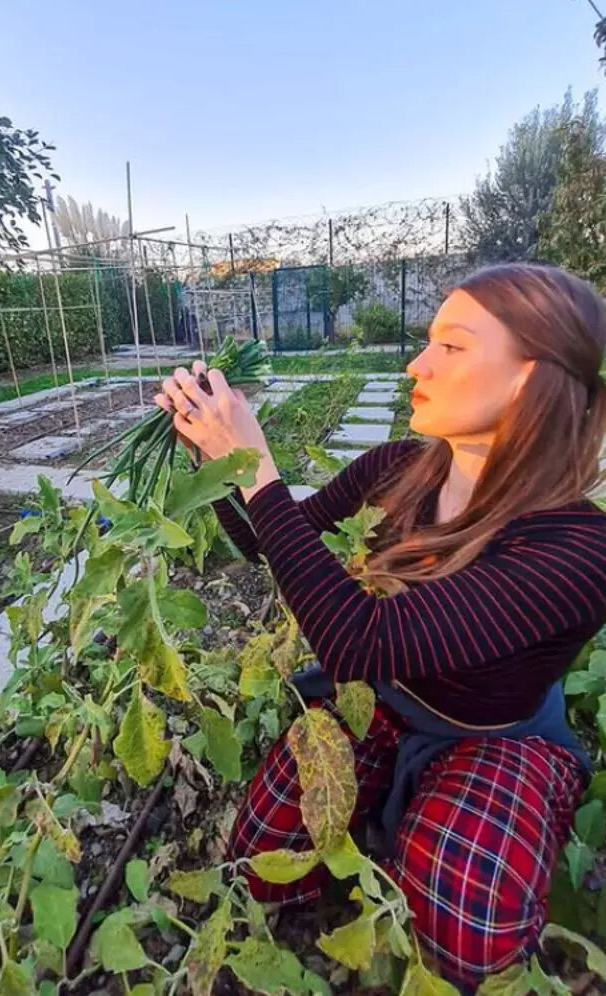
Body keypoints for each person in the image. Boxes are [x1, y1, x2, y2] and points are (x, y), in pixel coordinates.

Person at [155, 263, 606, 993]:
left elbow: (357, 640)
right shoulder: (400, 467)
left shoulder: (577, 547)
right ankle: (390, 827)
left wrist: (260, 464)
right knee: (261, 851)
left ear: (530, 378)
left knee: (467, 926)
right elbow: (270, 541)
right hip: (385, 701)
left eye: (451, 347)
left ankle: (436, 840)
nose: (416, 365)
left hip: (498, 733)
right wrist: (217, 461)